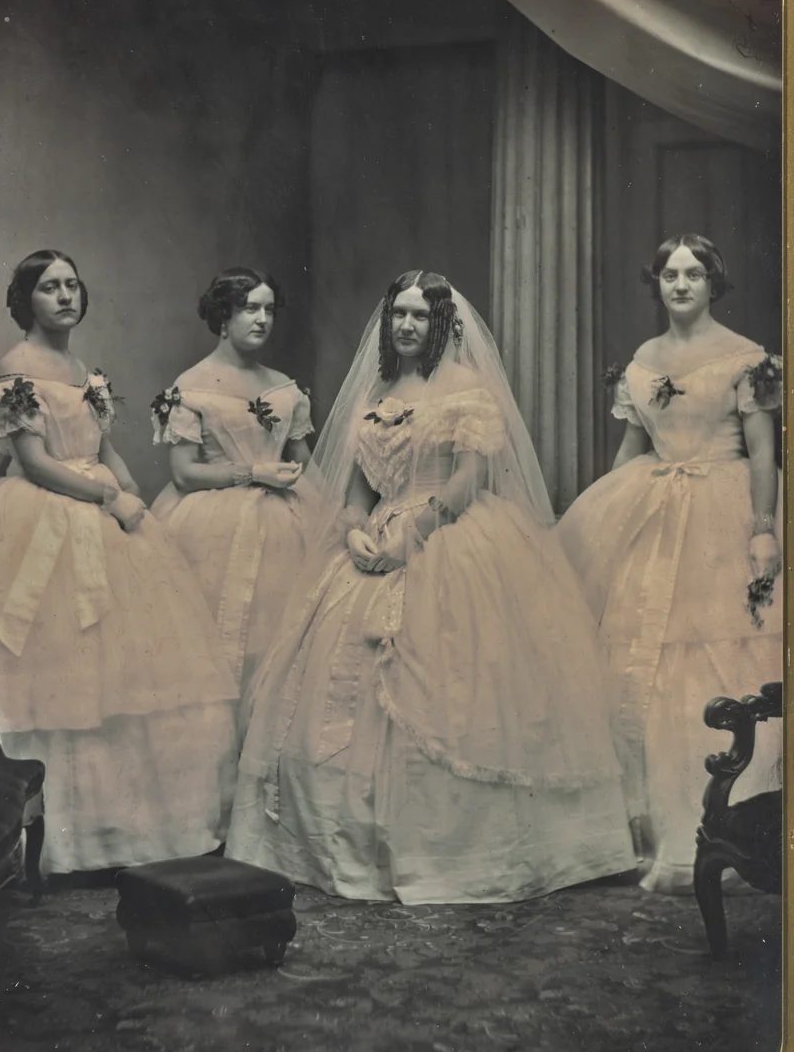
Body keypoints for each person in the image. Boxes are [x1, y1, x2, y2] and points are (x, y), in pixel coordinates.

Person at [226, 270, 636, 904]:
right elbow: (360, 486)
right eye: (398, 316)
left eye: (419, 316)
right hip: (378, 538)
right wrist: (356, 528)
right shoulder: (377, 389)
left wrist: (411, 534)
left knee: (452, 684)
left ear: (442, 324)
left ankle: (457, 855)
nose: (406, 326)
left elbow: (470, 479)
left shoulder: (467, 390)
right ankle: (344, 849)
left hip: (450, 535)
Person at [0, 250, 241, 875]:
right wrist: (105, 497)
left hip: (99, 510)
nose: (64, 296)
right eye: (48, 288)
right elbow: (35, 463)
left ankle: (119, 833)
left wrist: (136, 504)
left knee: (125, 671)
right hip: (44, 507)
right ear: (26, 301)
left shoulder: (83, 369)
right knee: (49, 664)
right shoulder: (17, 365)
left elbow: (106, 449)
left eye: (71, 285)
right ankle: (46, 838)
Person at [558, 234, 782, 893]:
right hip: (651, 502)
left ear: (714, 283)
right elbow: (632, 448)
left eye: (693, 274)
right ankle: (631, 825)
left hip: (724, 505)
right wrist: (603, 516)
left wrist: (763, 528)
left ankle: (724, 823)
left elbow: (762, 452)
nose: (680, 284)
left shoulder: (747, 359)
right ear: (654, 284)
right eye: (668, 275)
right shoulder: (641, 360)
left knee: (711, 654)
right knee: (636, 657)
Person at [150, 267, 315, 720]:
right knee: (217, 637)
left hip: (287, 523)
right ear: (224, 316)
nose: (262, 319)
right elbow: (184, 474)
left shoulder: (284, 387)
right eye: (248, 309)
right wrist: (254, 473)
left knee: (278, 638)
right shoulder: (191, 386)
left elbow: (304, 462)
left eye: (268, 309)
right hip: (209, 524)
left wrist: (333, 514)